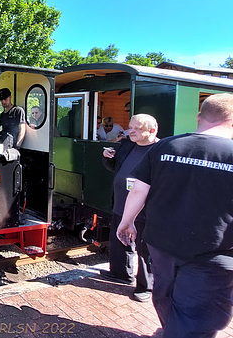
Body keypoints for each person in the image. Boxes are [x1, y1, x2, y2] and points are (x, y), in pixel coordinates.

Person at [117, 93, 233, 338]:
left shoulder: (166, 146)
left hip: (161, 244)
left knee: (164, 295)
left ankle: (171, 330)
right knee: (199, 315)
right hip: (213, 252)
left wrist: (126, 222)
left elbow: (139, 189)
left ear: (199, 117)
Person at [99, 114, 159, 303]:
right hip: (121, 204)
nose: (130, 131)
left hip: (145, 210)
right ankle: (120, 273)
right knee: (119, 241)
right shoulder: (127, 145)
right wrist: (107, 158)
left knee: (144, 249)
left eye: (136, 128)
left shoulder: (160, 150)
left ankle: (146, 286)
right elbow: (114, 168)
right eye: (130, 127)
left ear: (152, 130)